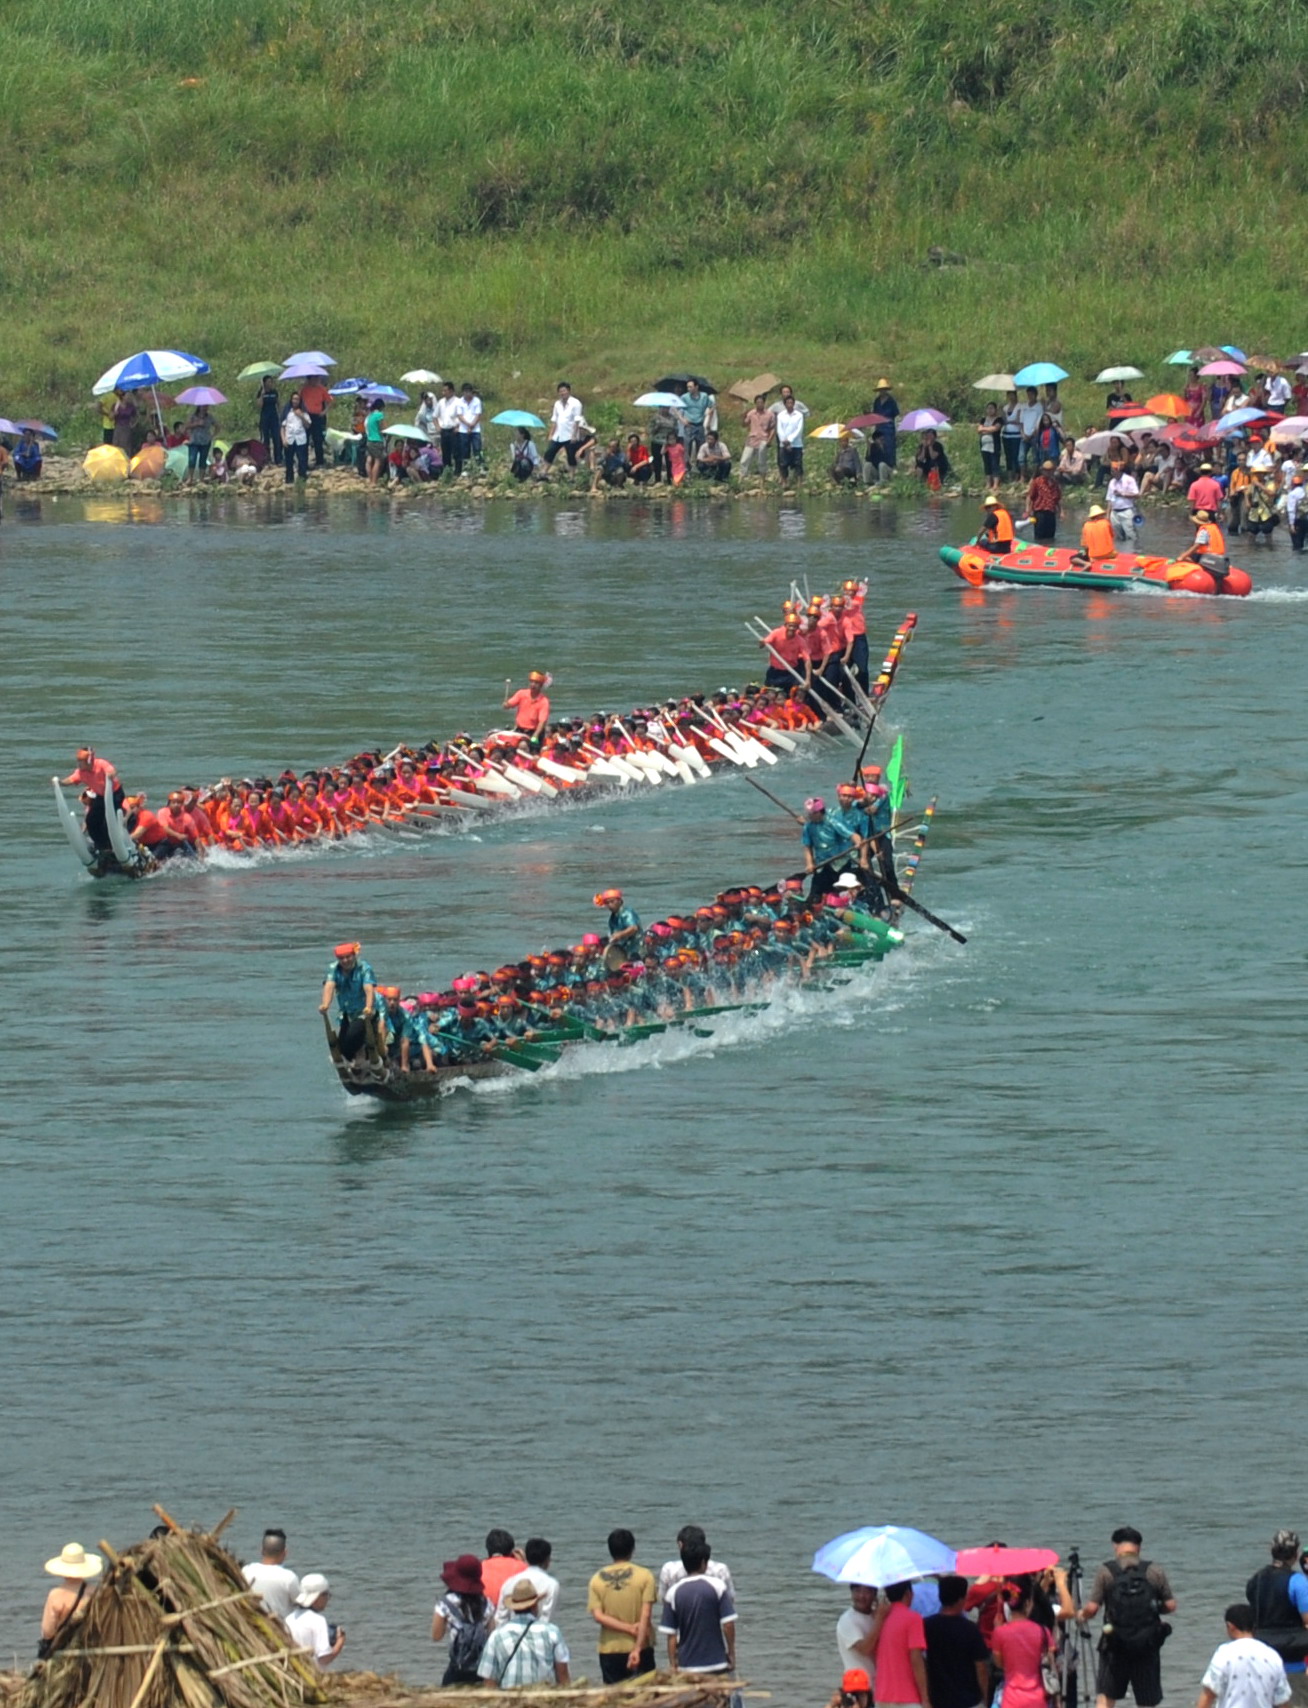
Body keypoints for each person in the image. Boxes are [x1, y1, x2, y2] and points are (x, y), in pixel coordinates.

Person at [1078, 1525, 1175, 1708]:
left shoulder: (1106, 1571)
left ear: (1115, 1546)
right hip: (1147, 1645)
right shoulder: (1154, 1571)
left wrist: (1081, 1615)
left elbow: (1092, 1608)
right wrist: (1153, 1608)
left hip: (1114, 1644)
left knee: (1106, 1696)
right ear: (1138, 1547)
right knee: (1147, 1700)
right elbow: (1170, 1606)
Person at [589, 1529, 657, 1683]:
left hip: (609, 1649)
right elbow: (646, 1615)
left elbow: (598, 1616)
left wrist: (627, 1628)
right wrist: (637, 1648)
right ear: (632, 1549)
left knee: (614, 1699)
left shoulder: (597, 1579)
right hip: (641, 1647)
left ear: (610, 1550)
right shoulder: (645, 1575)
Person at [660, 1538, 736, 1675]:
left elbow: (671, 1635)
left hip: (687, 1666)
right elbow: (728, 1625)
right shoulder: (717, 1586)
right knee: (720, 1696)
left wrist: (673, 1664)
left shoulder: (673, 1592)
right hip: (717, 1663)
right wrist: (731, 1653)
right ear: (703, 1563)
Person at [478, 1578, 571, 1688]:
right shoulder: (552, 1632)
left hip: (508, 1702)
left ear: (513, 1608)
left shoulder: (496, 1636)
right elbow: (563, 1675)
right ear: (534, 1606)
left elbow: (489, 1680)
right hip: (544, 1699)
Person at [1198, 1605, 1291, 1708]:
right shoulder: (1272, 1656)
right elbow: (1282, 1701)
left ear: (1230, 1626)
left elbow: (1209, 1694)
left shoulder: (1224, 1653)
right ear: (1254, 1627)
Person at [925, 1574, 990, 1708]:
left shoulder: (926, 1626)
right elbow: (981, 1668)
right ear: (961, 1599)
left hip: (938, 1700)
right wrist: (985, 1698)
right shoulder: (970, 1629)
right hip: (968, 1700)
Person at [1245, 1532, 1308, 1669]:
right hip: (1293, 1655)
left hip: (1262, 1653)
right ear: (1296, 1555)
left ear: (1271, 1551)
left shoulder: (1256, 1579)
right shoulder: (1298, 1582)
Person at [989, 1578, 1054, 1708]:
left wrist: (997, 1628)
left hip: (1011, 1698)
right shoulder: (1043, 1631)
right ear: (1028, 1603)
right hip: (1037, 1698)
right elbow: (1050, 1662)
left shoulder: (1000, 1633)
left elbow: (1000, 1664)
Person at [433, 1554, 495, 1686]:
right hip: (481, 1669)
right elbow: (492, 1635)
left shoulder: (445, 1603)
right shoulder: (486, 1603)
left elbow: (436, 1636)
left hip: (457, 1668)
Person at [869, 1580, 929, 1708]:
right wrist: (925, 1697)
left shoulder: (879, 1618)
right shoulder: (913, 1618)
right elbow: (916, 1659)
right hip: (908, 1696)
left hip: (882, 1695)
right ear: (908, 1594)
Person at [40, 1543, 102, 1659]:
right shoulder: (95, 1592)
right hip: (89, 1646)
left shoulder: (55, 1595)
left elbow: (48, 1631)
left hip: (63, 1649)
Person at [319, 940, 378, 1061]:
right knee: (343, 1048)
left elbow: (368, 989)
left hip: (364, 1012)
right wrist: (325, 1005)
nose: (345, 961)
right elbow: (329, 986)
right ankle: (354, 1061)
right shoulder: (333, 968)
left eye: (348, 957)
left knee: (352, 1038)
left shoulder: (364, 968)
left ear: (354, 956)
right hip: (346, 1012)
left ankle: (362, 1052)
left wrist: (368, 1006)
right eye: (341, 958)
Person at [63, 746, 122, 851]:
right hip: (100, 797)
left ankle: (111, 846)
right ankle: (101, 845)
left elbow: (112, 771)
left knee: (106, 823)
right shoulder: (81, 772)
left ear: (89, 761)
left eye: (81, 761)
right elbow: (71, 779)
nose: (78, 764)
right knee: (91, 821)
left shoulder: (101, 764)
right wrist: (59, 783)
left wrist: (110, 775)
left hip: (114, 795)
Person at [657, 1526, 735, 1603]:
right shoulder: (720, 1569)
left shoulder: (669, 1569)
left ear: (680, 1545)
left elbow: (664, 1599)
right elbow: (729, 1599)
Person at [285, 1573, 346, 1668]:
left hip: (294, 1668)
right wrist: (340, 1642)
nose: (327, 1599)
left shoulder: (289, 1618)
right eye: (326, 1595)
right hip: (311, 1673)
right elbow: (324, 1659)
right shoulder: (318, 1621)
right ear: (317, 1598)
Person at [497, 1539, 560, 1627]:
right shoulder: (551, 1585)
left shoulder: (509, 1582)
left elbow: (501, 1618)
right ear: (547, 1560)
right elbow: (546, 1618)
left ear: (526, 1557)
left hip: (511, 1635)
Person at [242, 1528, 300, 1621]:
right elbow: (300, 1605)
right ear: (285, 1553)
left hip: (253, 1624)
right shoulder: (289, 1577)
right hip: (281, 1629)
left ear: (261, 1550)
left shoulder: (246, 1571)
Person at [838, 1584, 880, 1680]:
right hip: (856, 1684)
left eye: (867, 1592)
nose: (861, 1596)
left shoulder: (875, 1616)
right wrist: (880, 1620)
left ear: (875, 1594)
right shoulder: (847, 1620)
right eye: (857, 1591)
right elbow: (865, 1649)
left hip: (877, 1683)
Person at [1176, 508, 1231, 577]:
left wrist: (1182, 556)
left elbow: (1197, 545)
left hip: (1208, 556)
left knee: (1185, 556)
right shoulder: (1214, 527)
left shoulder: (1203, 530)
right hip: (1219, 556)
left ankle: (1197, 569)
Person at [545, 381, 584, 468]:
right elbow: (554, 420)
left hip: (570, 435)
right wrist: (551, 434)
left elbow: (577, 420)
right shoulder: (557, 404)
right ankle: (543, 472)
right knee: (550, 452)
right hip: (558, 434)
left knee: (571, 456)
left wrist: (574, 435)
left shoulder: (575, 403)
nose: (562, 393)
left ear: (569, 391)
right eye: (560, 391)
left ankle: (572, 477)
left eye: (564, 391)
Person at [482, 1531, 526, 1607]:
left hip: (484, 1612)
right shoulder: (521, 1567)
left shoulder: (479, 1568)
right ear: (511, 1551)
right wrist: (524, 1561)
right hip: (512, 1612)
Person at [504, 672, 551, 744]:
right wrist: (507, 705)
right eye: (531, 682)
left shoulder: (544, 701)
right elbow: (509, 704)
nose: (533, 685)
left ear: (541, 685)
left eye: (536, 683)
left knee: (524, 745)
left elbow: (542, 722)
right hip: (519, 730)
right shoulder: (521, 693)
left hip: (534, 732)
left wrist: (536, 735)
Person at [678, 379, 716, 461]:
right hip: (689, 425)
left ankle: (700, 465)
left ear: (696, 387)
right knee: (687, 447)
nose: (689, 389)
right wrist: (682, 419)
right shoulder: (684, 397)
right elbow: (675, 408)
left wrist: (709, 419)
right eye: (687, 387)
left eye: (691, 387)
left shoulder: (704, 396)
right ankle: (687, 467)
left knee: (701, 446)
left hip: (699, 424)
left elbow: (712, 406)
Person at [1026, 461, 1063, 541]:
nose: (1048, 472)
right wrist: (1028, 510)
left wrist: (1061, 511)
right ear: (1042, 471)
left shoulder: (1055, 483)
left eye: (1050, 470)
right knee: (1039, 536)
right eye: (1046, 470)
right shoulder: (1037, 482)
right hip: (1040, 512)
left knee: (1050, 536)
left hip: (1051, 512)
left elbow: (1058, 499)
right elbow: (1030, 496)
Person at [775, 391, 807, 483]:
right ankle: (784, 481)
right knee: (783, 463)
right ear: (784, 404)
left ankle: (799, 482)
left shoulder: (799, 415)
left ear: (794, 404)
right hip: (783, 444)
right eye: (788, 403)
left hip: (796, 443)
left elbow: (799, 429)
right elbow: (779, 429)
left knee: (798, 463)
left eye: (791, 403)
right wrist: (784, 441)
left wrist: (790, 440)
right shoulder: (781, 415)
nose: (790, 405)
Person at [740, 395, 775, 479]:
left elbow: (773, 428)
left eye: (761, 402)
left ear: (764, 403)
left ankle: (762, 481)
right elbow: (744, 424)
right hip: (752, 439)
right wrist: (743, 416)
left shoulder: (770, 414)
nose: (760, 404)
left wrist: (770, 440)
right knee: (744, 459)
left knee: (761, 461)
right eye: (758, 402)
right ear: (755, 403)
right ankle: (741, 477)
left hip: (763, 439)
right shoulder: (751, 413)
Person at [1105, 463, 1141, 543]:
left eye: (1113, 471)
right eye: (1111, 471)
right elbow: (1109, 499)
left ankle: (1133, 552)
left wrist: (1122, 494)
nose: (1112, 473)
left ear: (1119, 470)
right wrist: (1107, 515)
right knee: (1119, 537)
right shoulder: (1112, 482)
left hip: (1127, 511)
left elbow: (1137, 495)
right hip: (1114, 513)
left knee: (1131, 536)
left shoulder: (1129, 480)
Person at [300, 375, 330, 467]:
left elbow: (329, 401)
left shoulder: (321, 389)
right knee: (305, 439)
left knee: (318, 438)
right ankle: (304, 461)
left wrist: (324, 412)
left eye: (317, 378)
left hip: (317, 416)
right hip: (307, 416)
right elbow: (299, 401)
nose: (316, 380)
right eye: (314, 379)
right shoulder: (304, 390)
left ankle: (320, 461)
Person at [872, 378, 900, 476]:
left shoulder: (891, 401)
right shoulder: (876, 401)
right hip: (879, 428)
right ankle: (881, 468)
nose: (882, 391)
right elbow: (874, 415)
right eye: (881, 389)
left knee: (890, 447)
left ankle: (892, 467)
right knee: (879, 447)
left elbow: (896, 414)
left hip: (889, 428)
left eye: (884, 389)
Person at [281, 392, 311, 483]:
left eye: (297, 399)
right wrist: (283, 439)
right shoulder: (287, 412)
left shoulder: (304, 412)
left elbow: (308, 426)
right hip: (289, 439)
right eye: (294, 399)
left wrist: (301, 416)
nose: (295, 401)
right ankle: (289, 480)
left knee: (302, 460)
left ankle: (302, 479)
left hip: (300, 439)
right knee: (289, 461)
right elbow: (282, 427)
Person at [183, 405, 216, 485]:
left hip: (205, 441)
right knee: (192, 459)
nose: (204, 408)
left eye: (206, 406)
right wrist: (196, 424)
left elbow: (217, 426)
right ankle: (190, 478)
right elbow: (186, 427)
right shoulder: (193, 416)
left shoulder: (209, 417)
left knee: (203, 460)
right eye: (203, 406)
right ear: (199, 407)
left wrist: (212, 435)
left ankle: (201, 479)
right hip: (194, 441)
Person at [436, 380, 462, 476]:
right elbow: (435, 416)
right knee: (445, 453)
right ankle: (447, 472)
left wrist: (458, 426)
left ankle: (458, 471)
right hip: (444, 430)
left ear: (451, 391)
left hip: (454, 430)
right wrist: (438, 427)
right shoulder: (441, 402)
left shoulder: (458, 402)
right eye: (443, 391)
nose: (444, 393)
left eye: (445, 391)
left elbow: (462, 416)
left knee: (456, 452)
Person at [457, 381, 484, 473]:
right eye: (466, 392)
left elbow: (478, 415)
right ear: (463, 392)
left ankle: (480, 467)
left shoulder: (477, 401)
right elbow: (460, 416)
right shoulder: (460, 402)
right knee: (465, 450)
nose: (468, 394)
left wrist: (472, 426)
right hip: (463, 430)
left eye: (469, 391)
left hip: (475, 429)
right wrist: (468, 425)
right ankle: (466, 468)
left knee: (477, 448)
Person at [1017, 386, 1045, 475]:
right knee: (1021, 457)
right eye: (1028, 394)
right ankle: (1022, 476)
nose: (1030, 396)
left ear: (1035, 395)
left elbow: (1039, 422)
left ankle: (1034, 476)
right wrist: (1022, 433)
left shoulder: (1039, 407)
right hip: (1024, 435)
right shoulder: (1024, 406)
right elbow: (1021, 422)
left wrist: (1032, 434)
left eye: (1032, 394)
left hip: (1034, 435)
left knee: (1035, 457)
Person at [650, 406, 680, 484]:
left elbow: (676, 429)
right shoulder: (655, 418)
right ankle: (657, 480)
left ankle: (670, 479)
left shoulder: (673, 418)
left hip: (669, 442)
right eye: (663, 408)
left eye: (666, 408)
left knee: (669, 461)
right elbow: (651, 431)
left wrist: (672, 438)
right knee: (657, 461)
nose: (664, 410)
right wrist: (657, 426)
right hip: (657, 441)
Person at [977, 403, 1003, 491]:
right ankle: (988, 483)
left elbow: (995, 429)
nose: (990, 410)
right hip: (984, 445)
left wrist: (985, 429)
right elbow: (979, 429)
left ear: (995, 410)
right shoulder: (983, 419)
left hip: (994, 445)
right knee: (986, 464)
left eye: (992, 408)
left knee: (994, 464)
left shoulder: (999, 419)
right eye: (988, 408)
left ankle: (996, 484)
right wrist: (988, 429)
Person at [1281, 475, 1308, 552]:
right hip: (1305, 520)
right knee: (1303, 543)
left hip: (1297, 520)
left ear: (1293, 484)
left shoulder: (1292, 494)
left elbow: (1291, 510)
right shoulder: (1305, 492)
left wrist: (1292, 524)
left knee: (1296, 546)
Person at [364, 398, 386, 486]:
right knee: (377, 461)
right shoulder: (379, 415)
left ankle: (370, 479)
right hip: (377, 440)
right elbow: (383, 428)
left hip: (369, 440)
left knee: (369, 460)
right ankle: (374, 481)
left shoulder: (370, 415)